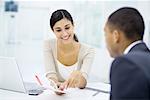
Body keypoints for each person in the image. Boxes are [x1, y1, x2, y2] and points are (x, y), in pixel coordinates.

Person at [43, 9, 95, 94]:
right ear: (53, 31)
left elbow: (83, 83)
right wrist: (56, 87)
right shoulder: (48, 44)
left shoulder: (88, 51)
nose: (64, 34)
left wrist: (79, 76)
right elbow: (51, 76)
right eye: (58, 30)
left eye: (67, 28)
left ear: (73, 25)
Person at [104, 7, 150, 99]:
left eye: (105, 34)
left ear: (115, 36)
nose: (105, 40)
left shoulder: (126, 64)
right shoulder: (146, 58)